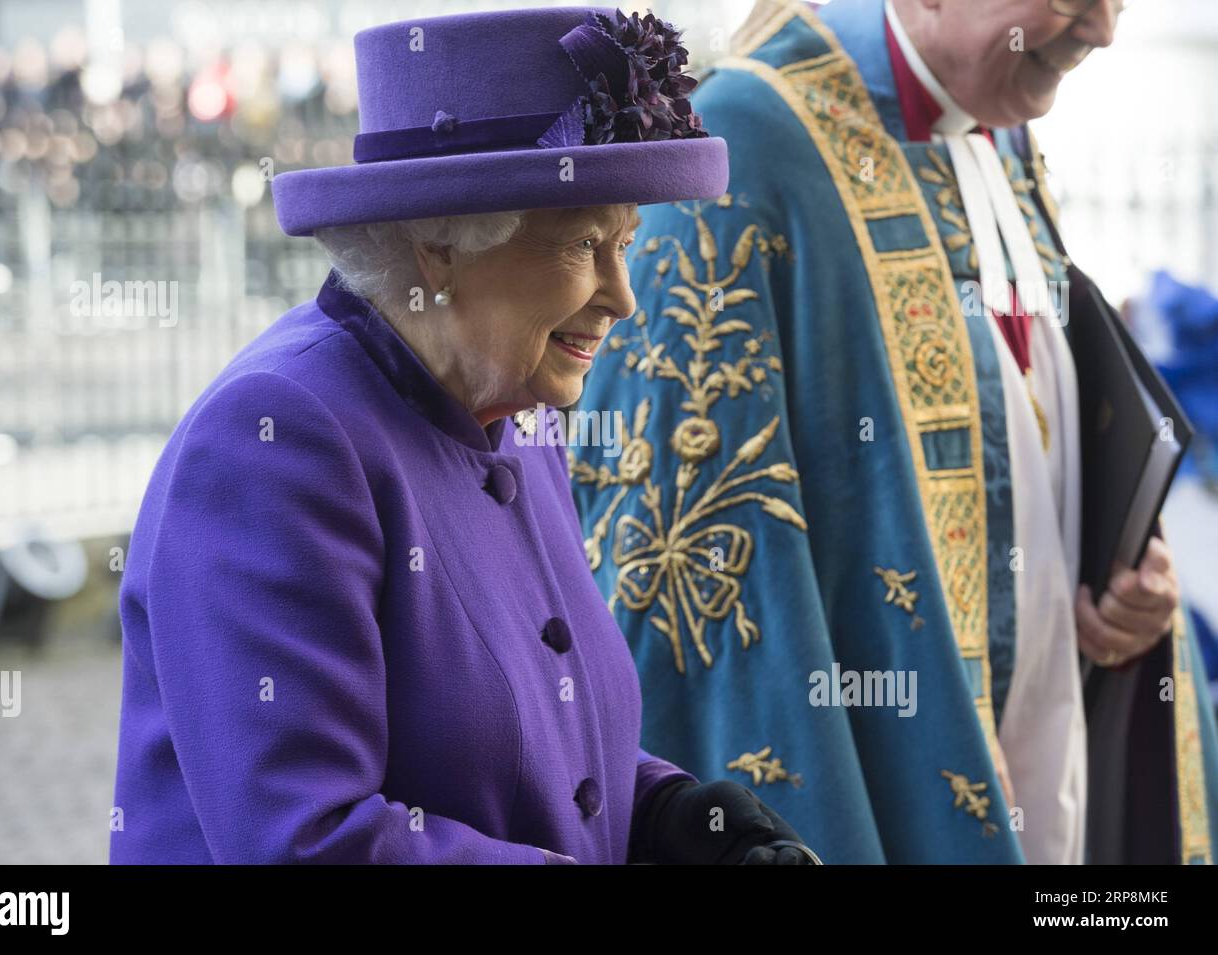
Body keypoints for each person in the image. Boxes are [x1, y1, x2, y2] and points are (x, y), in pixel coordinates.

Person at [109, 5, 821, 865]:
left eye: (625, 241)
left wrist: (670, 814)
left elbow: (527, 746)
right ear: (441, 247)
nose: (621, 295)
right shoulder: (278, 441)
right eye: (584, 243)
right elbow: (303, 842)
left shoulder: (515, 405)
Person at [571, 0, 1218, 863]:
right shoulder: (743, 147)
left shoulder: (1004, 128)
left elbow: (1034, 437)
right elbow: (694, 590)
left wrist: (1126, 579)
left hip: (1056, 763)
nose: (1100, 28)